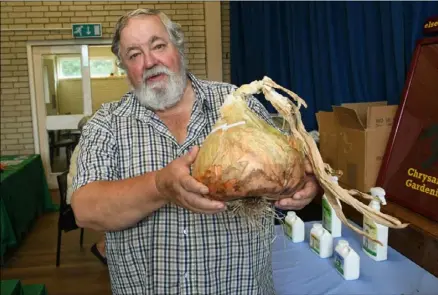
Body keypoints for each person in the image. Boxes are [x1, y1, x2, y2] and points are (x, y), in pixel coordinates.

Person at [70, 8, 320, 295]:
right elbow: (85, 209)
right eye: (134, 54)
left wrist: (302, 184)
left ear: (178, 47)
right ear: (124, 68)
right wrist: (159, 186)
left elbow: (280, 169)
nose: (150, 62)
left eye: (158, 46)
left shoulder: (238, 104)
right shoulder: (106, 125)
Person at [67, 115, 107, 265]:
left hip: (82, 193)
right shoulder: (88, 148)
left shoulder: (83, 145)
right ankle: (103, 247)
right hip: (79, 199)